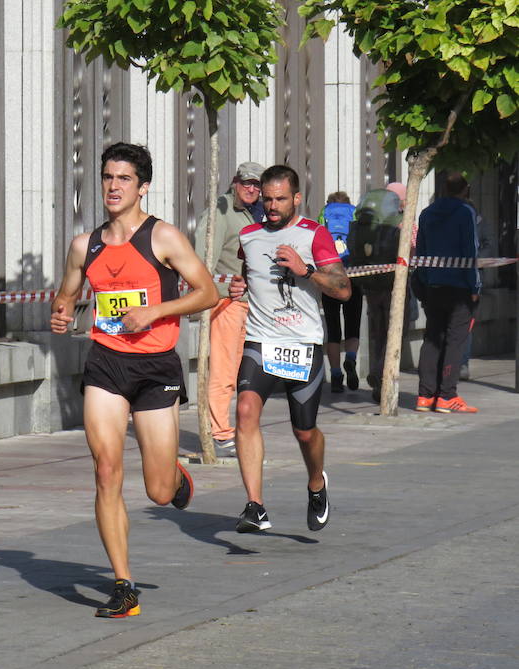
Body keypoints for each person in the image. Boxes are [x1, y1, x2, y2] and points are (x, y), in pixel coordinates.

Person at [50, 142, 218, 618]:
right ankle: (123, 584)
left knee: (158, 492)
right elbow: (66, 293)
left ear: (143, 187)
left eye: (124, 179)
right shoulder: (86, 244)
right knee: (105, 471)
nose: (113, 186)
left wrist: (156, 311)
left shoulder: (163, 237)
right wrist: (61, 313)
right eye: (108, 177)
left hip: (156, 366)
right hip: (106, 363)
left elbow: (208, 292)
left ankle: (174, 477)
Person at [228, 165, 351, 533]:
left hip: (302, 343)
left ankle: (316, 483)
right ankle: (255, 506)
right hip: (261, 340)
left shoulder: (315, 235)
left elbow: (342, 289)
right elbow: (249, 275)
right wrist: (240, 288)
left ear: (296, 198)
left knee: (305, 431)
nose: (272, 206)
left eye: (280, 199)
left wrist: (305, 269)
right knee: (246, 409)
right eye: (267, 199)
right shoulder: (249, 235)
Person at [193, 161, 265, 457]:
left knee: (236, 372)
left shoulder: (251, 212)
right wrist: (216, 291)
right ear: (235, 181)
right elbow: (201, 259)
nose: (251, 189)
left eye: (257, 185)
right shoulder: (221, 211)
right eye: (246, 182)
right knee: (222, 372)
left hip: (246, 304)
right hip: (225, 304)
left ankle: (225, 429)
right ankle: (219, 433)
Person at [412, 172, 480, 413]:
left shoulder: (427, 213)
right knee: (455, 340)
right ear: (465, 189)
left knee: (432, 339)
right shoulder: (466, 212)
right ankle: (447, 396)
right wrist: (475, 287)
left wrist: (423, 282)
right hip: (460, 286)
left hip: (434, 285)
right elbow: (470, 251)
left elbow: (420, 252)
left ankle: (425, 395)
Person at [358, 181, 407, 403]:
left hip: (372, 285)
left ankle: (378, 374)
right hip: (393, 287)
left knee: (377, 333)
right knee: (392, 334)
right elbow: (411, 251)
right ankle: (381, 375)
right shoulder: (400, 222)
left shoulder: (371, 221)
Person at [318, 191, 362, 392]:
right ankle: (351, 359)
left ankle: (335, 374)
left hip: (329, 276)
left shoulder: (323, 215)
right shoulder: (355, 214)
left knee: (333, 327)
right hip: (353, 274)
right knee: (353, 324)